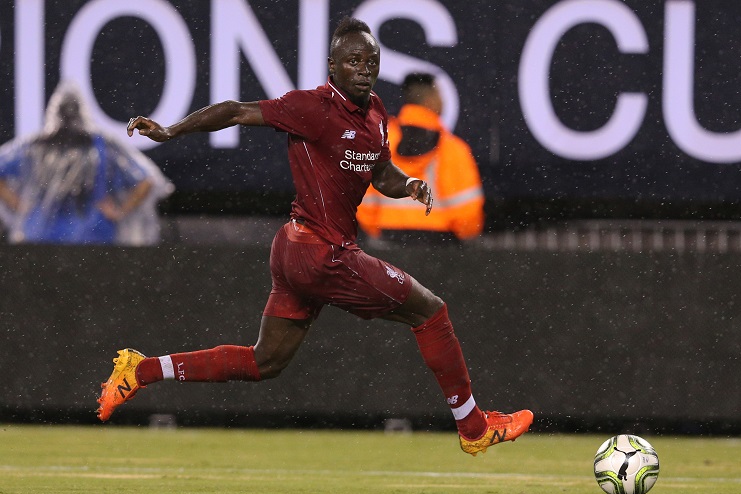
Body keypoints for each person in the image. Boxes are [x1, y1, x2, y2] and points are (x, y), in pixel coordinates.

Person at [97, 17, 532, 455]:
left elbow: (380, 172)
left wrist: (409, 186)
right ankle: (474, 427)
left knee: (264, 361)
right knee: (430, 312)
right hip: (321, 253)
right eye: (353, 60)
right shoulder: (311, 107)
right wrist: (171, 131)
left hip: (297, 248)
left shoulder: (378, 113)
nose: (364, 68)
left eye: (371, 60)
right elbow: (233, 110)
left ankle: (142, 370)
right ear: (333, 66)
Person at [0, 81, 173, 245]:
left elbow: (147, 181)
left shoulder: (35, 146)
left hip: (41, 234)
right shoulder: (102, 145)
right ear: (83, 112)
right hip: (92, 235)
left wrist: (20, 206)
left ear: (54, 113)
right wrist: (120, 212)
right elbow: (147, 180)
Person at [357, 72, 484, 246]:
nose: (443, 102)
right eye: (440, 95)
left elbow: (361, 195)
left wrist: (378, 230)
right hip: (440, 246)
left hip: (389, 242)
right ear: (430, 100)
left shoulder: (381, 141)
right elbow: (467, 214)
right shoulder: (452, 149)